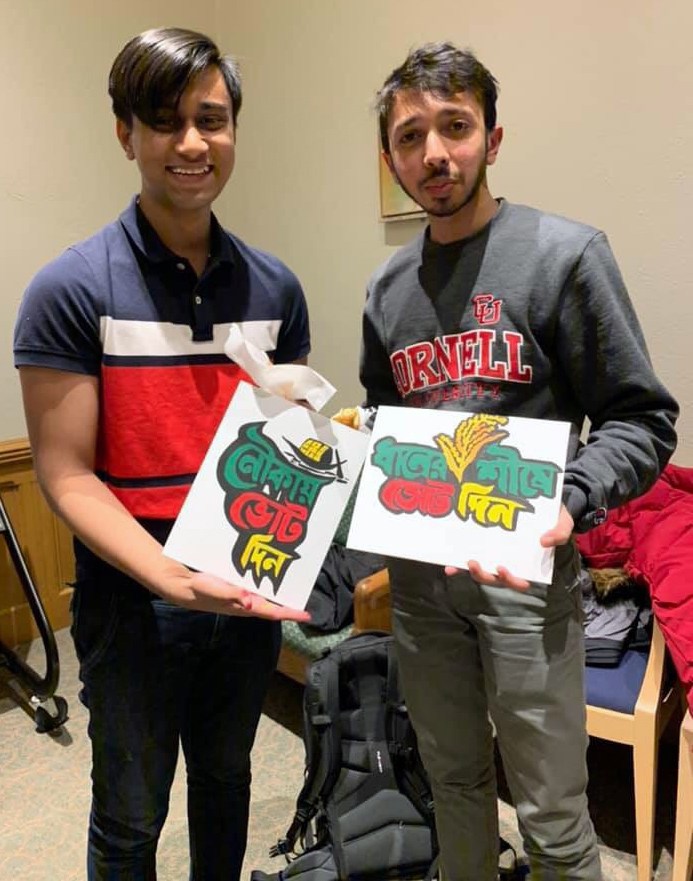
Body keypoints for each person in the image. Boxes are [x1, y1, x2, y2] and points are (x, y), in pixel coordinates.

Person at [352, 42, 679, 881]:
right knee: (454, 786)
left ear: (491, 139)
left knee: (553, 816)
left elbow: (641, 420)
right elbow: (384, 429)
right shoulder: (385, 290)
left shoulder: (563, 255)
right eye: (411, 135)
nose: (434, 152)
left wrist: (572, 497)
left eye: (454, 127)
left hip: (527, 581)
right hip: (422, 587)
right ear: (390, 157)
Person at [13, 27, 312, 881]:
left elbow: (279, 447)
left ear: (233, 130)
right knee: (130, 814)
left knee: (226, 782)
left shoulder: (276, 287)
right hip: (132, 602)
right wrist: (171, 577)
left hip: (244, 591)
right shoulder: (69, 288)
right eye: (165, 120)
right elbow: (64, 471)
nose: (191, 143)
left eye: (211, 119)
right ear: (126, 133)